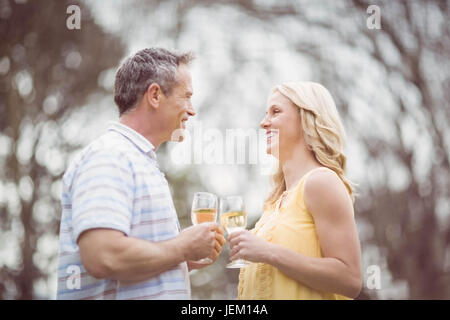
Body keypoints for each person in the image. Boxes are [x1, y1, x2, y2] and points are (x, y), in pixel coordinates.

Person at [57, 48, 225, 300]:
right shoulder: (111, 156)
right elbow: (102, 256)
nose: (192, 110)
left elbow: (127, 263)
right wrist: (182, 247)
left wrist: (183, 261)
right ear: (155, 95)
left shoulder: (139, 161)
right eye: (186, 96)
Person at [229, 82, 362, 299]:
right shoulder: (274, 203)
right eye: (266, 113)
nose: (263, 123)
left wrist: (268, 252)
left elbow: (350, 279)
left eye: (276, 112)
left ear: (306, 120)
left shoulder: (321, 182)